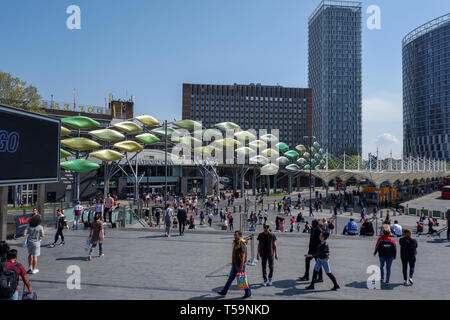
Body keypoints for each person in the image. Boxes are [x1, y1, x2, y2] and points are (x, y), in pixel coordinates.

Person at [217, 231, 252, 299]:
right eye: (234, 235)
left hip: (239, 265)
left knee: (242, 280)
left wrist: (241, 266)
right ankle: (224, 292)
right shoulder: (236, 242)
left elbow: (243, 255)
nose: (234, 236)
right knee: (230, 279)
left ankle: (248, 293)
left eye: (236, 235)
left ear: (239, 236)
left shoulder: (241, 243)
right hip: (235, 264)